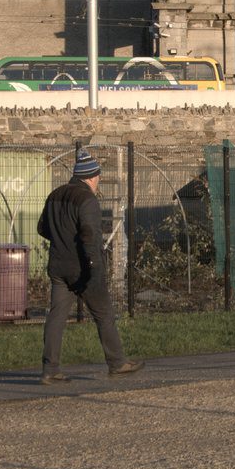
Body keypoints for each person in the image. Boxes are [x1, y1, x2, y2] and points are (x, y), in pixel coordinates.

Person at [37, 149, 143, 384]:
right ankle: (117, 363)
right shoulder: (87, 200)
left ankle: (50, 369)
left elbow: (42, 228)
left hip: (57, 267)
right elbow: (90, 238)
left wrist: (61, 239)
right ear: (89, 177)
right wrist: (94, 269)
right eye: (97, 177)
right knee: (104, 313)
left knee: (56, 317)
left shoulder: (55, 195)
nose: (98, 182)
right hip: (82, 268)